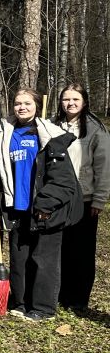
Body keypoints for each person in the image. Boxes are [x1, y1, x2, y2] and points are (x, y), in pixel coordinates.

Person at [0, 90, 81, 320]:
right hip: (17, 206)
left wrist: (45, 205)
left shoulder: (51, 136)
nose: (22, 107)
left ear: (37, 106)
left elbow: (63, 180)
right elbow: (4, 169)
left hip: (44, 209)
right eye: (17, 103)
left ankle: (43, 308)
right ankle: (21, 302)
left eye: (27, 103)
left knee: (44, 260)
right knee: (19, 258)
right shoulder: (5, 135)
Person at [55, 83, 109, 310]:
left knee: (82, 251)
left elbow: (104, 167)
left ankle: (78, 299)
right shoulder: (53, 126)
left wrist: (99, 199)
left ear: (84, 102)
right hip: (58, 199)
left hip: (84, 199)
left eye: (75, 99)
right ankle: (61, 294)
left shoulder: (96, 130)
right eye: (66, 99)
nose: (70, 103)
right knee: (61, 249)